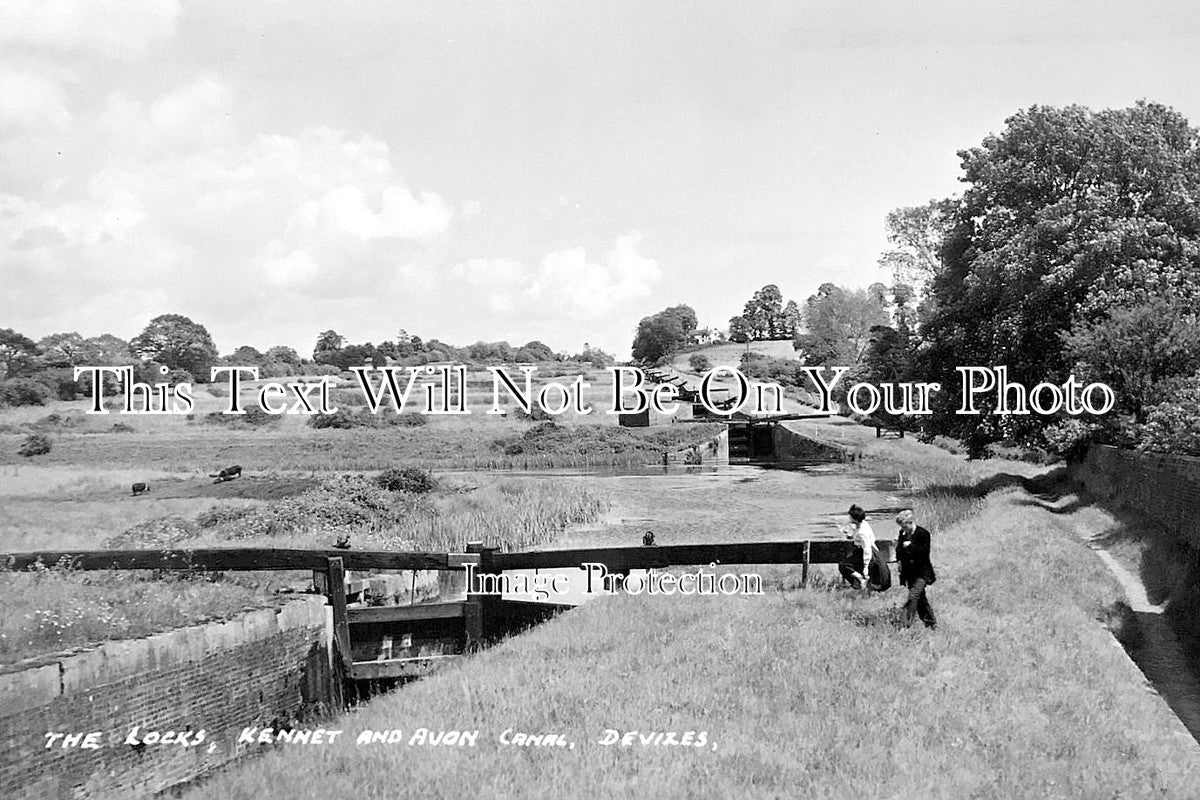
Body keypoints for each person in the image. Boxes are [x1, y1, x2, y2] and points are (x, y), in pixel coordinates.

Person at [895, 509, 937, 629]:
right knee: (921, 599)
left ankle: (904, 625)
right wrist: (899, 562)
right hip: (909, 573)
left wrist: (911, 546)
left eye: (904, 526)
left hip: (922, 573)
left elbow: (924, 553)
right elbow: (899, 550)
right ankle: (931, 624)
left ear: (910, 522)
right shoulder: (902, 534)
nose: (903, 529)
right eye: (901, 527)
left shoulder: (923, 534)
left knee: (913, 596)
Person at [838, 504, 875, 590]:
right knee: (845, 564)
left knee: (843, 565)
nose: (849, 518)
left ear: (854, 518)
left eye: (850, 516)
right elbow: (857, 533)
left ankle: (860, 580)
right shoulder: (864, 524)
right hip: (861, 551)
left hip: (863, 554)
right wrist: (851, 535)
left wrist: (866, 566)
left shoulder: (862, 533)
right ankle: (858, 582)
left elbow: (867, 550)